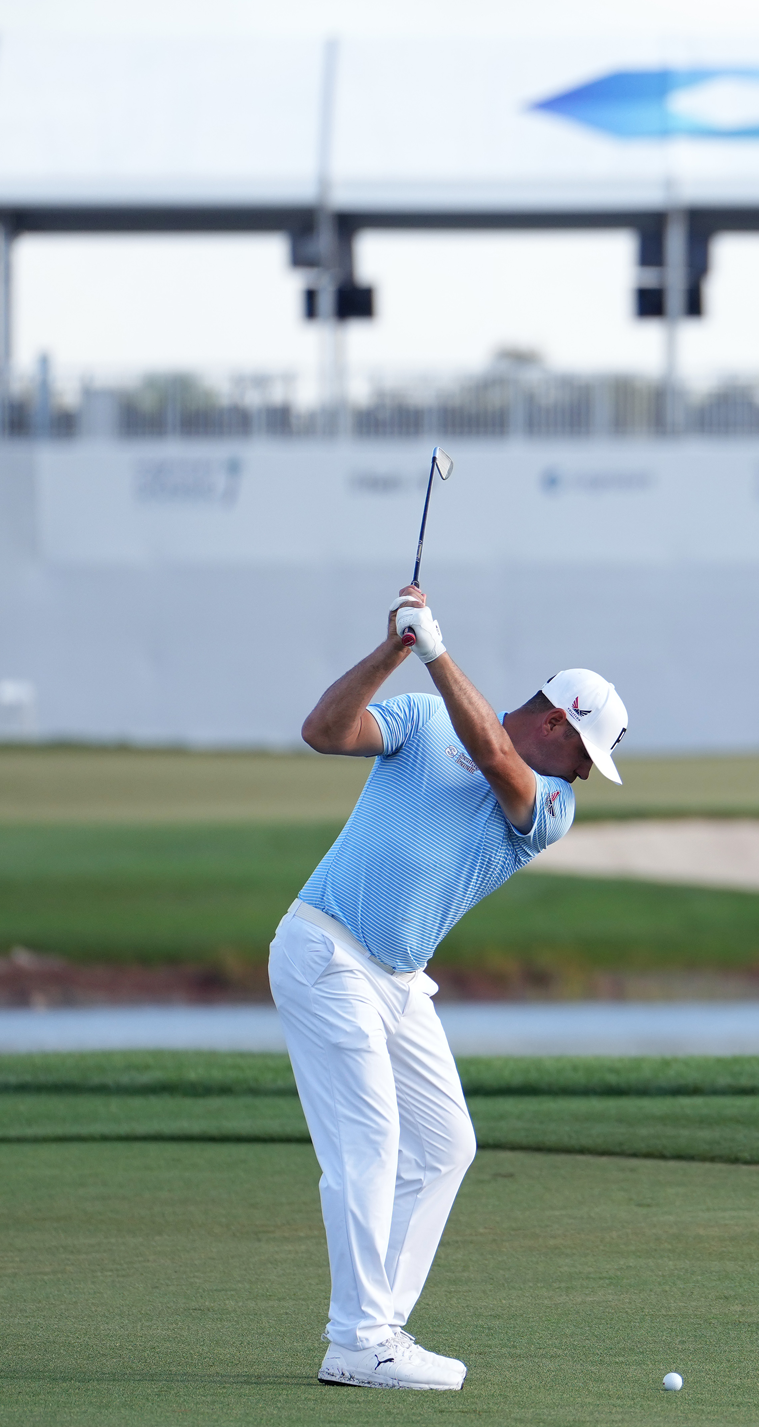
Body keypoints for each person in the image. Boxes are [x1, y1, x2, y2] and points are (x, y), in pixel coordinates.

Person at [272, 583, 628, 1390]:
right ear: (557, 723)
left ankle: (374, 1329)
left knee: (444, 1146)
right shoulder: (423, 720)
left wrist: (433, 649)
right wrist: (391, 653)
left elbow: (499, 761)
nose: (584, 773)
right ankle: (361, 1338)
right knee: (370, 1146)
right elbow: (324, 732)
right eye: (584, 753)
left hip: (396, 980)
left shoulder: (552, 805)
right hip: (327, 952)